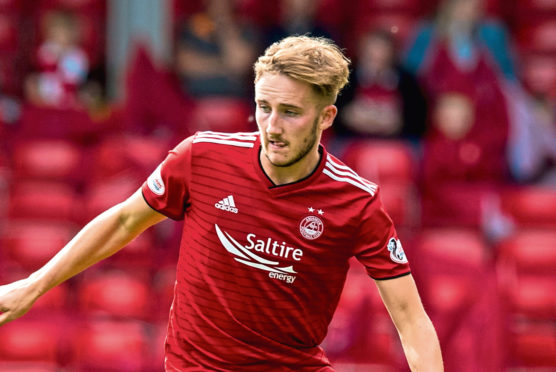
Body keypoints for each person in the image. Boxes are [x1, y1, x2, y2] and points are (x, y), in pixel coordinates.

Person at [0, 36, 443, 371]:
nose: (271, 125)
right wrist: (32, 286)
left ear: (326, 117)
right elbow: (122, 222)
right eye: (263, 107)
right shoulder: (201, 157)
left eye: (290, 112)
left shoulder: (356, 202)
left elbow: (410, 318)